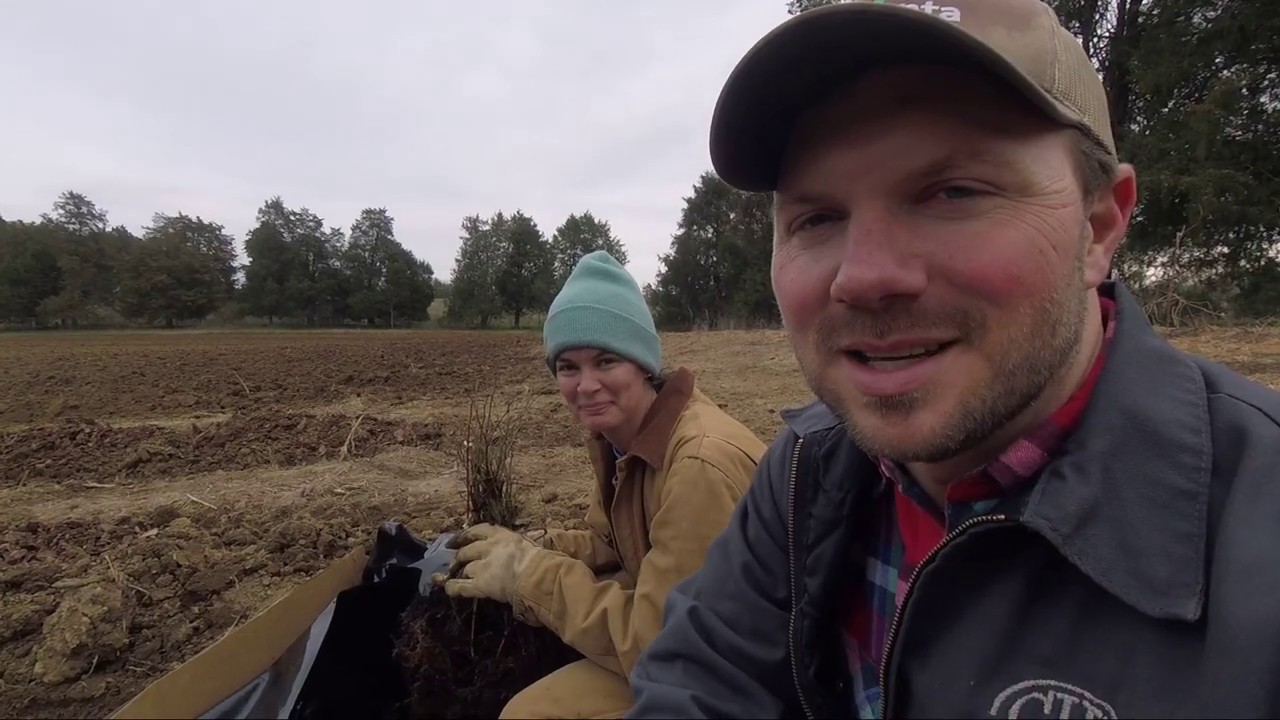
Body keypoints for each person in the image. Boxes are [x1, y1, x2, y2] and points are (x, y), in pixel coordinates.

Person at [627, 1, 1280, 719]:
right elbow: (694, 688)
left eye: (953, 192)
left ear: (1098, 228)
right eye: (817, 218)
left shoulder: (1257, 531)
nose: (864, 276)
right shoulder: (803, 478)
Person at [433, 250, 768, 719]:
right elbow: (613, 545)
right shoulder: (623, 439)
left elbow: (664, 644)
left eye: (605, 361)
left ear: (643, 364)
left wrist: (529, 576)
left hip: (749, 680)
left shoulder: (698, 464)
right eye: (568, 367)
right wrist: (531, 546)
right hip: (699, 653)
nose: (585, 385)